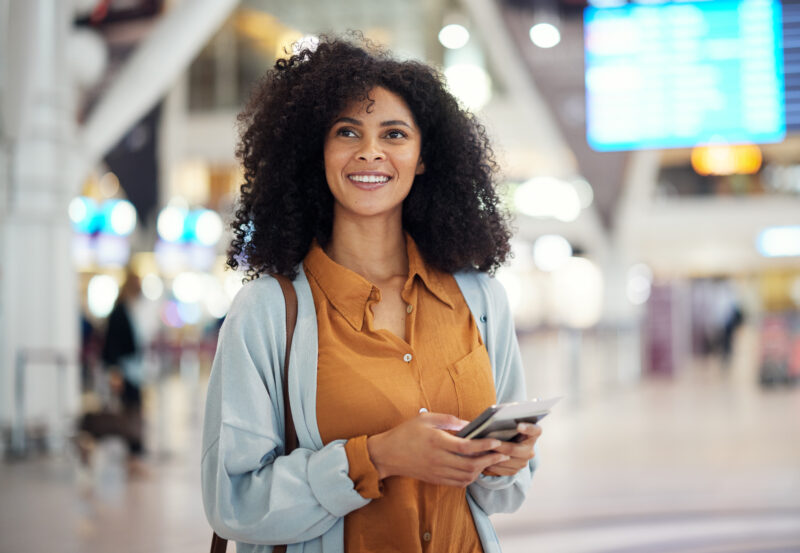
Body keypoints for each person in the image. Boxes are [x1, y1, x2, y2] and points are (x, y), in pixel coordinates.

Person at [202, 35, 542, 553]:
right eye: (347, 131)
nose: (370, 151)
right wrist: (378, 457)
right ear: (317, 152)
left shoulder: (482, 301)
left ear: (424, 156)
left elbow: (504, 494)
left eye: (395, 133)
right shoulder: (267, 312)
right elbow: (235, 501)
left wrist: (503, 462)